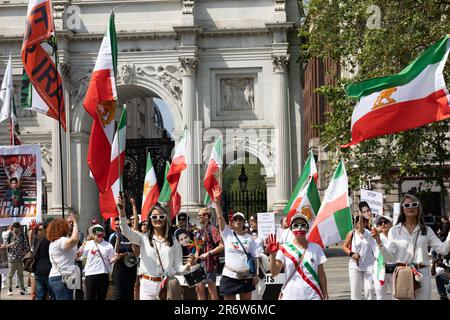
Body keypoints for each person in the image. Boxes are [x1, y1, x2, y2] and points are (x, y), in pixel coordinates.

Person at [372, 194, 450, 300]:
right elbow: (389, 258)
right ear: (402, 209)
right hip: (402, 273)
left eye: (414, 204)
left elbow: (443, 250)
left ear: (418, 208)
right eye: (407, 205)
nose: (411, 207)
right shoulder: (394, 230)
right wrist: (378, 241)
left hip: (422, 275)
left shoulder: (426, 230)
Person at [116, 193, 193, 300]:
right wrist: (122, 211)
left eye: (161, 216)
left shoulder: (174, 242)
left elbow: (177, 267)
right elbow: (125, 230)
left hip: (166, 286)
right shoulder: (143, 238)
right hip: (147, 285)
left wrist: (188, 265)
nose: (158, 219)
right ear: (150, 220)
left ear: (166, 219)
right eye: (154, 217)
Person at [266, 211, 328, 300]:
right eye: (295, 225)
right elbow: (274, 272)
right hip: (291, 295)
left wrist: (325, 294)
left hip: (313, 295)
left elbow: (321, 274)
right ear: (290, 229)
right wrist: (272, 255)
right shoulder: (284, 248)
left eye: (303, 225)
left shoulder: (316, 248)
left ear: (307, 228)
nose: (299, 228)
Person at [212, 186, 260, 300]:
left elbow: (255, 257)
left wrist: (256, 275)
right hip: (229, 275)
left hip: (246, 276)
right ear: (232, 223)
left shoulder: (250, 238)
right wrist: (217, 202)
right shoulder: (227, 234)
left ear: (244, 222)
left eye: (240, 219)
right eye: (235, 219)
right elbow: (219, 217)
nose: (238, 221)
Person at [342, 209, 375, 300]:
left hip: (369, 266)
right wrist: (352, 253)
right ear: (355, 223)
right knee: (355, 291)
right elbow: (344, 247)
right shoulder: (351, 233)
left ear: (365, 223)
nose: (360, 223)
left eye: (363, 221)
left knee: (369, 290)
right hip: (355, 266)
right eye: (358, 221)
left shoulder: (369, 234)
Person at [192, 207, 224, 300]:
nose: (198, 218)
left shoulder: (213, 229)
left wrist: (208, 253)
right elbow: (198, 248)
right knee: (199, 289)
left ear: (206, 217)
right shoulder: (199, 231)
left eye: (200, 216)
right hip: (199, 264)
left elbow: (221, 246)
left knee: (211, 290)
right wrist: (194, 258)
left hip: (210, 263)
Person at [47, 213, 80, 300]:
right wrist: (75, 222)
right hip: (60, 277)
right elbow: (74, 239)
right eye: (67, 225)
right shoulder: (60, 241)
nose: (69, 226)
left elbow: (70, 256)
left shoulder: (54, 242)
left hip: (66, 274)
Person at [78, 225, 115, 300]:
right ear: (93, 235)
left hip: (103, 274)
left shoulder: (108, 245)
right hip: (91, 273)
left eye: (101, 234)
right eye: (97, 235)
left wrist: (116, 258)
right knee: (90, 297)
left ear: (103, 234)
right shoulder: (88, 244)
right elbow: (79, 257)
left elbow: (110, 260)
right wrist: (82, 247)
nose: (99, 236)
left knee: (101, 297)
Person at [109, 217, 140, 300]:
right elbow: (112, 254)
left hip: (132, 267)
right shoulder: (115, 237)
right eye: (124, 225)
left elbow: (137, 252)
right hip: (120, 268)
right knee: (118, 293)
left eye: (129, 225)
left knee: (129, 294)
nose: (127, 227)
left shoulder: (134, 237)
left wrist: (127, 253)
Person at [1, 222, 30, 296]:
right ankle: (10, 289)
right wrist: (11, 244)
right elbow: (4, 245)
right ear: (13, 228)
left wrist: (24, 253)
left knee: (21, 274)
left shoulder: (22, 236)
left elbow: (26, 246)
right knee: (10, 275)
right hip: (12, 258)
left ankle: (22, 289)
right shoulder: (9, 235)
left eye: (18, 228)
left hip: (20, 258)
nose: (17, 229)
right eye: (16, 228)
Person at [372, 215, 395, 300]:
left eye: (385, 222)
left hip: (394, 269)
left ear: (390, 224)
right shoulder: (374, 237)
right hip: (380, 268)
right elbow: (363, 232)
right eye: (380, 223)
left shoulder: (395, 237)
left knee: (396, 296)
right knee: (380, 297)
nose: (383, 224)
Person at [33, 218, 55, 300]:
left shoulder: (38, 238)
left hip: (39, 270)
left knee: (39, 296)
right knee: (53, 295)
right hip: (49, 270)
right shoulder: (51, 239)